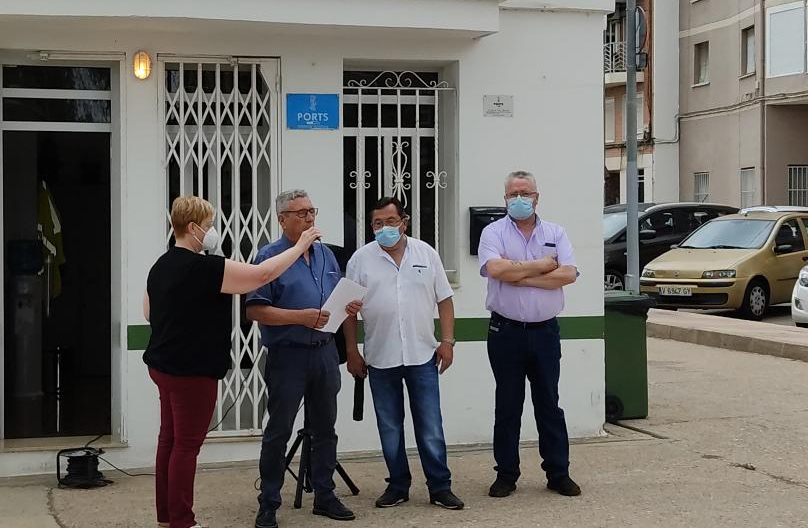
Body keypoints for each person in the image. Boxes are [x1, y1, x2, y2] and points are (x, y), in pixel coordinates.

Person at [143, 196, 322, 528]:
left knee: (168, 440)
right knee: (186, 446)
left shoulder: (161, 264)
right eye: (209, 226)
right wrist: (302, 246)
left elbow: (148, 312)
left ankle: (167, 516)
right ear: (193, 228)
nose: (212, 232)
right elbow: (261, 275)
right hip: (191, 371)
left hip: (162, 366)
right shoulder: (205, 268)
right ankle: (182, 520)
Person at [247, 189, 360, 528]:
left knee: (325, 428)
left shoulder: (326, 255)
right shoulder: (268, 256)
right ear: (282, 220)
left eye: (312, 211)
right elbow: (255, 310)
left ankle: (324, 494)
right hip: (288, 356)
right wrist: (300, 317)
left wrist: (349, 306)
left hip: (324, 353)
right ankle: (268, 502)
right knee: (279, 430)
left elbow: (335, 299)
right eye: (300, 213)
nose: (309, 218)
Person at [344, 196, 464, 511]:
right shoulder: (360, 260)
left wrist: (448, 341)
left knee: (430, 425)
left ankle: (440, 487)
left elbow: (445, 300)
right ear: (371, 226)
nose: (384, 228)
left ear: (404, 222)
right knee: (390, 425)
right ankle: (398, 484)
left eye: (390, 221)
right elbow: (348, 312)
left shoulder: (426, 253)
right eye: (377, 223)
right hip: (380, 358)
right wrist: (351, 352)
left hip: (423, 354)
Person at [477, 170, 581, 500]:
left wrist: (520, 275)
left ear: (537, 197)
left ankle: (558, 472)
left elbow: (567, 274)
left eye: (525, 193)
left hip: (545, 332)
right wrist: (542, 265)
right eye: (512, 194)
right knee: (507, 405)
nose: (519, 199)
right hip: (505, 332)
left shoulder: (556, 232)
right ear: (504, 198)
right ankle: (506, 474)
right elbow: (495, 270)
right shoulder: (492, 232)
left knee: (549, 403)